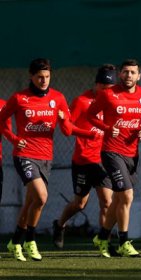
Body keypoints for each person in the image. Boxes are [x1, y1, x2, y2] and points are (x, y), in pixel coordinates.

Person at [0, 58, 96, 261]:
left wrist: (85, 132)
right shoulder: (19, 98)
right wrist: (14, 139)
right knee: (41, 197)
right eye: (40, 77)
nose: (44, 81)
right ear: (31, 76)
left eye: (47, 77)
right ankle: (30, 240)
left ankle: (15, 241)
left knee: (31, 202)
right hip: (24, 155)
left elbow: (67, 129)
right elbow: (2, 121)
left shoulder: (58, 98)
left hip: (46, 157)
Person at [87, 59, 141, 258]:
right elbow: (91, 115)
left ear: (139, 76)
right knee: (127, 196)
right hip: (111, 152)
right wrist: (107, 128)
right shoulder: (108, 94)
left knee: (118, 199)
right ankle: (124, 241)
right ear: (120, 74)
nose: (129, 75)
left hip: (132, 154)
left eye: (133, 72)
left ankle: (102, 237)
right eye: (125, 72)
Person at [52, 64, 116, 249]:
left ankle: (105, 243)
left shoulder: (114, 103)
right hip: (83, 161)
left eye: (110, 90)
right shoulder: (82, 101)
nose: (107, 93)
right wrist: (88, 134)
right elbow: (67, 127)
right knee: (80, 204)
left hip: (103, 160)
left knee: (107, 202)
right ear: (96, 85)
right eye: (103, 89)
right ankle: (60, 224)